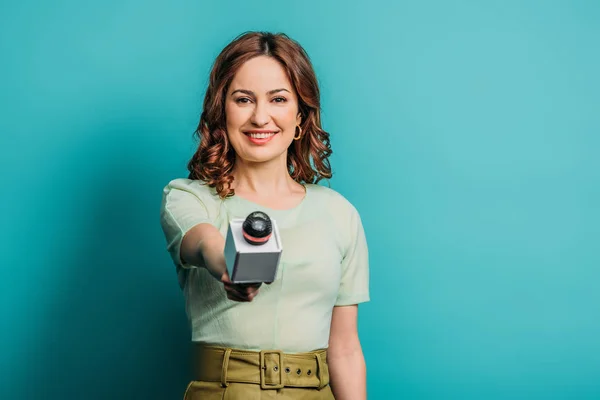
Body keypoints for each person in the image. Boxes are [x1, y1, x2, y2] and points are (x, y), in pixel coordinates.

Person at [160, 31, 370, 399]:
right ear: (221, 111)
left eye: (278, 99)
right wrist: (224, 263)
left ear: (300, 116)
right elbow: (203, 240)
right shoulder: (187, 197)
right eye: (243, 99)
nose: (260, 117)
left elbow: (346, 348)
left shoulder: (339, 214)